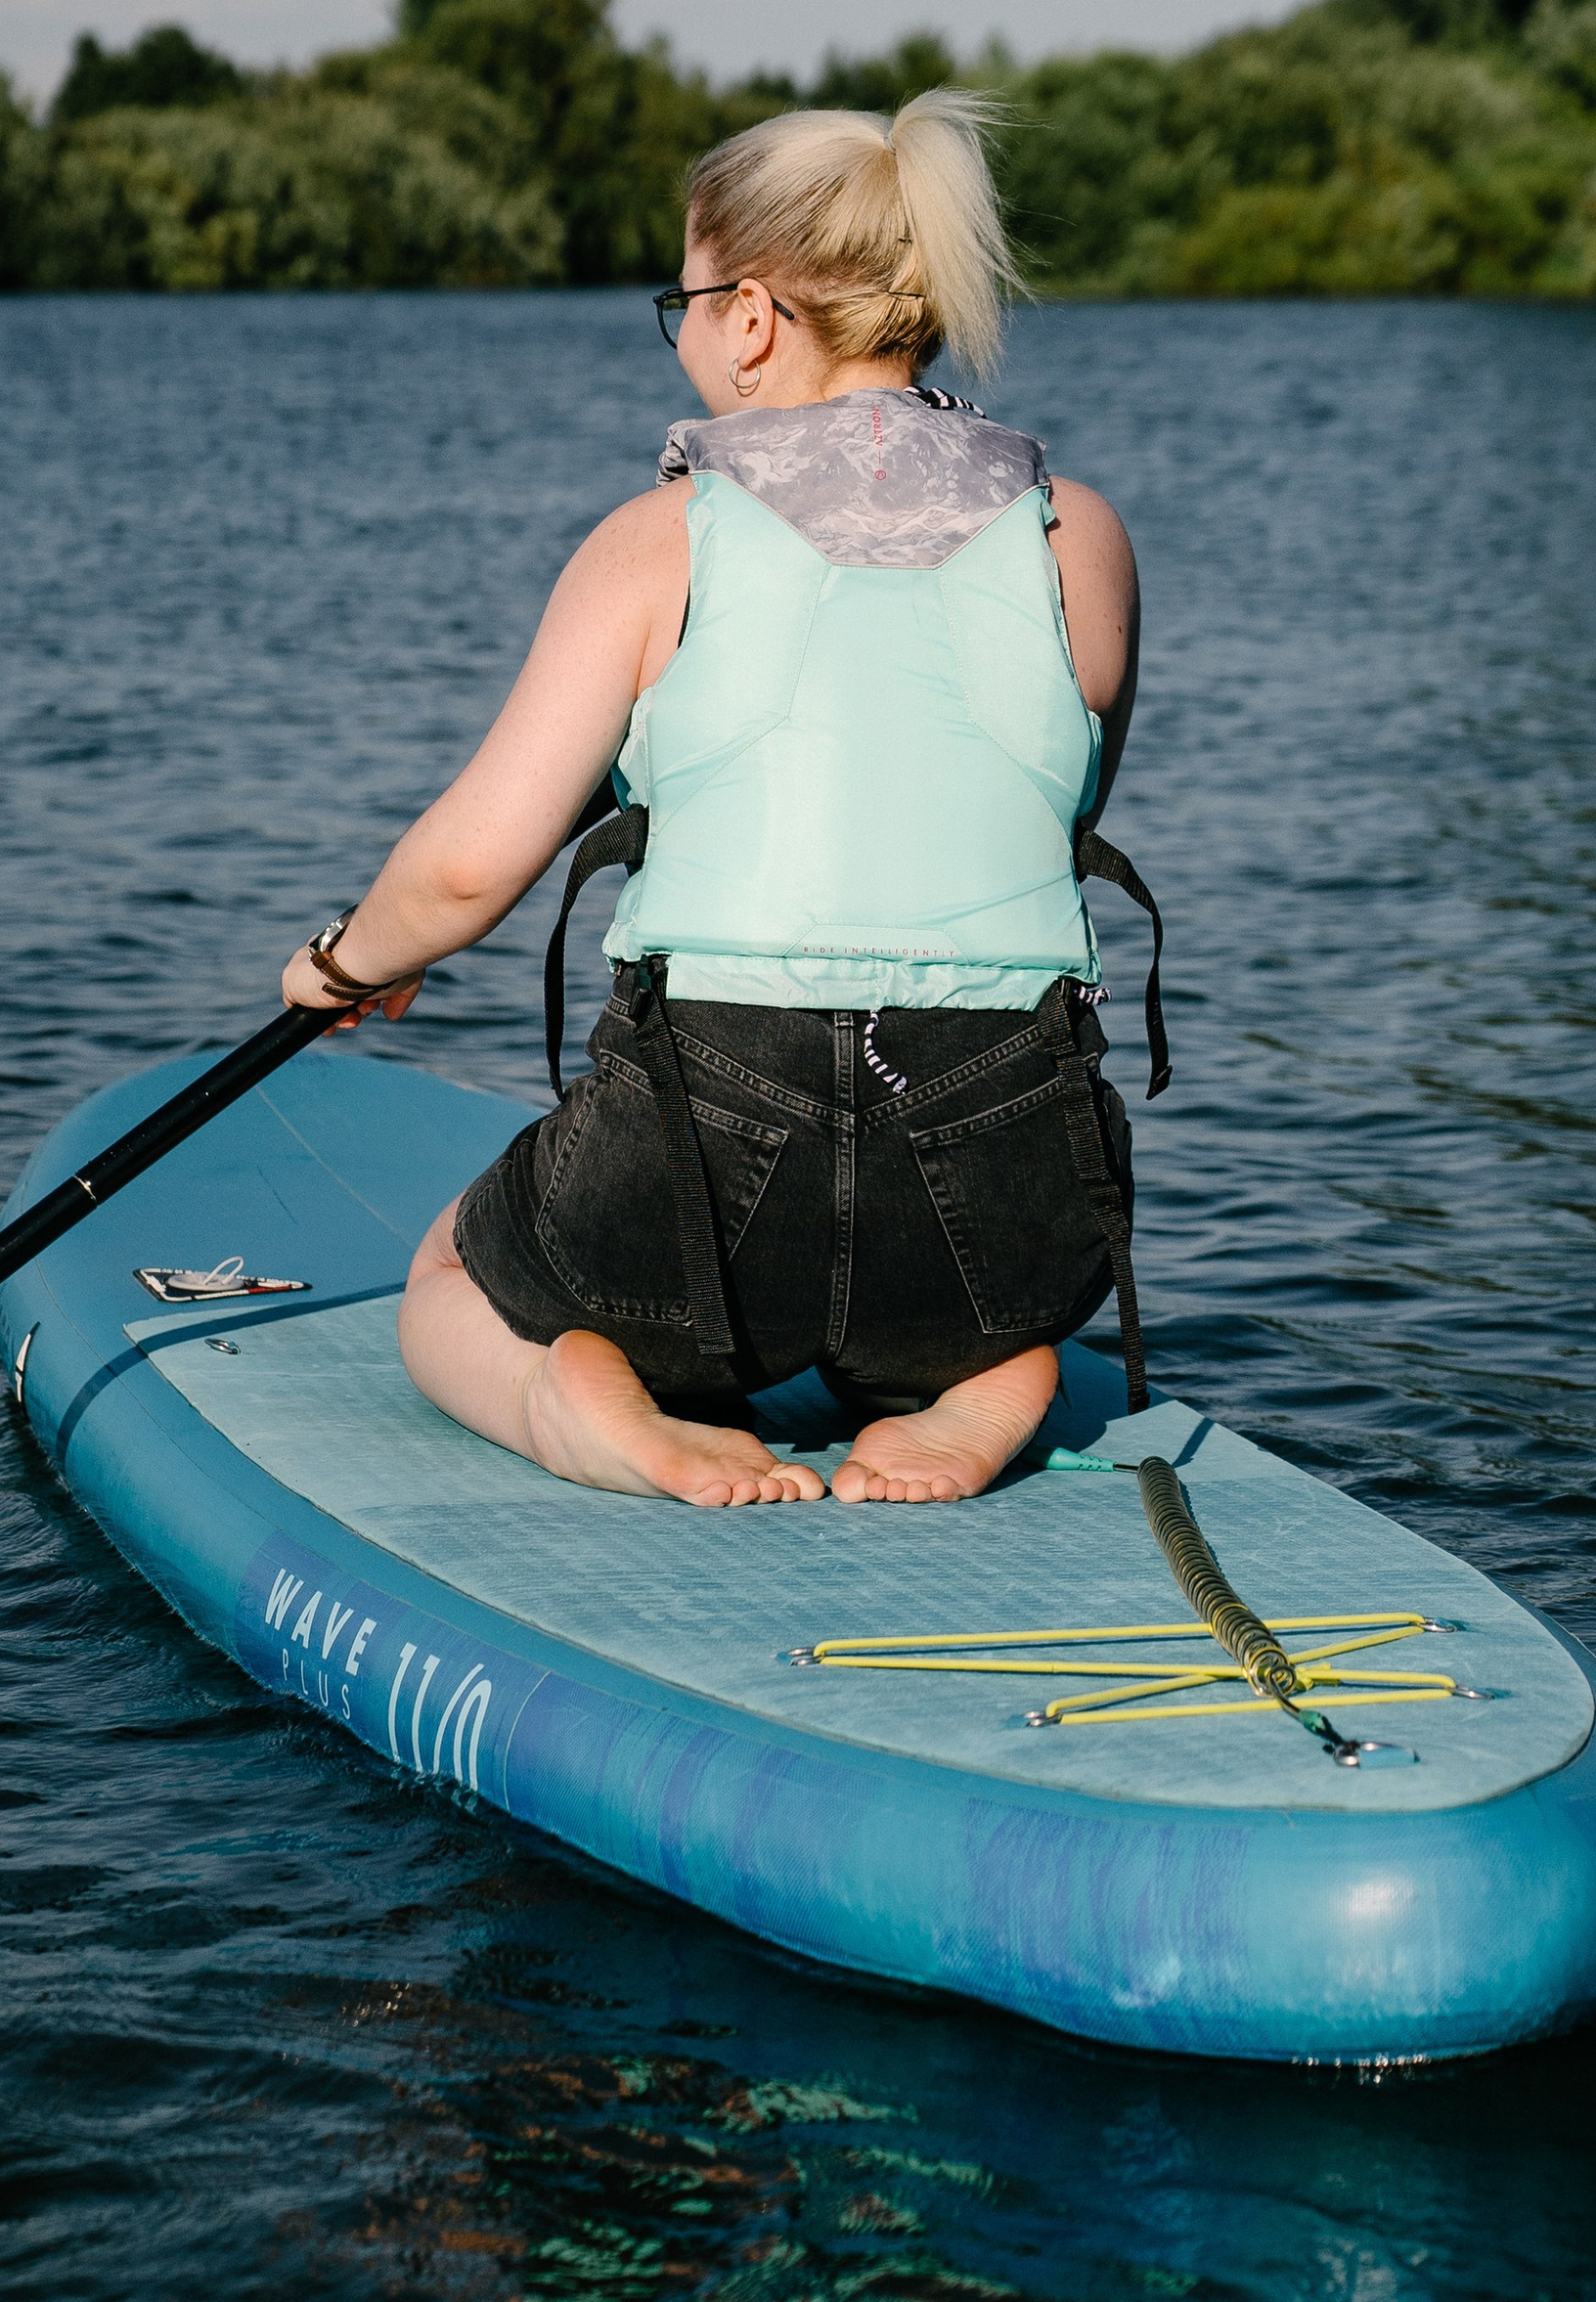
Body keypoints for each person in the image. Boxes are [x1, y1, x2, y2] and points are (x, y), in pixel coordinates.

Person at [277, 91, 1154, 1511]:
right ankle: (992, 1377)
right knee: (987, 1291)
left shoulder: (660, 541)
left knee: (449, 1278)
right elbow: (1053, 804)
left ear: (749, 319)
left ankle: (575, 1404)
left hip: (708, 1155)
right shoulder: (1080, 537)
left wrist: (344, 965)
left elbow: (465, 875)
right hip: (1001, 1171)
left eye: (679, 304)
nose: (681, 336)